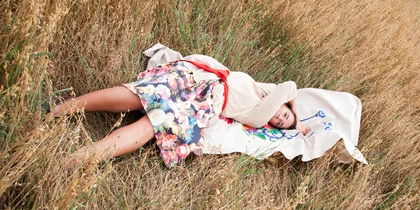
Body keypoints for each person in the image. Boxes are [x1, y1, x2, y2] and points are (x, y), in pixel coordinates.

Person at [52, 54, 310, 168]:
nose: (278, 117)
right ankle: (60, 109)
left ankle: (76, 160)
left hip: (204, 101)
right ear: (285, 104)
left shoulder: (260, 113)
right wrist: (295, 114)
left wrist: (294, 121)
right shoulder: (261, 90)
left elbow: (289, 86)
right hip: (197, 78)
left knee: (152, 124)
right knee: (140, 94)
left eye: (279, 123)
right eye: (284, 114)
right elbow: (285, 89)